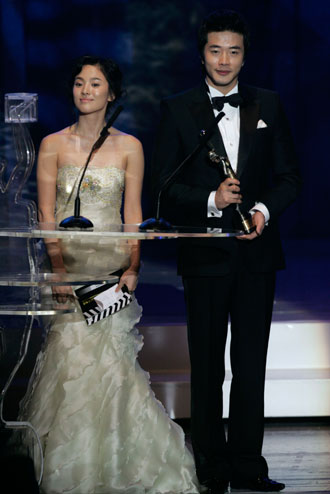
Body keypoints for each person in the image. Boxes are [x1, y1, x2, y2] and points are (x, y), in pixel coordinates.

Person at [18, 55, 200, 494]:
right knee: (71, 363)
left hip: (111, 270)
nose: (85, 90)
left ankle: (120, 461)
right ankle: (72, 465)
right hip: (70, 270)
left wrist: (133, 266)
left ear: (111, 93)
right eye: (79, 82)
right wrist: (58, 269)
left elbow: (133, 213)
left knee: (113, 366)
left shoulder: (129, 146)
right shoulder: (52, 145)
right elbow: (45, 213)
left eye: (95, 84)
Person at [151, 10, 301, 494]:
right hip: (206, 255)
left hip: (257, 255)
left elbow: (289, 178)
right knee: (209, 366)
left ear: (244, 55)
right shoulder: (177, 109)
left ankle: (248, 465)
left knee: (252, 363)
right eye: (215, 50)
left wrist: (260, 210)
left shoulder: (269, 105)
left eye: (233, 50)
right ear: (201, 54)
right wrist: (210, 201)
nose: (224, 59)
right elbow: (163, 190)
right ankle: (211, 466)